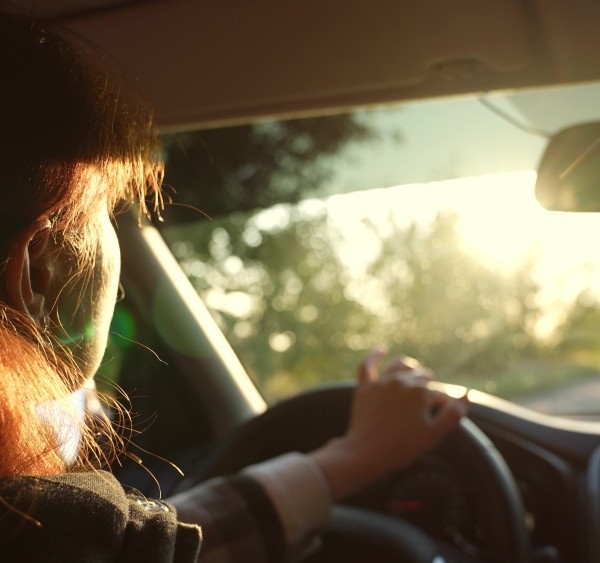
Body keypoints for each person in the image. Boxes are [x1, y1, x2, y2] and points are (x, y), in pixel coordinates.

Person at [0, 10, 468, 562]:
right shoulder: (45, 531)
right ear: (39, 268)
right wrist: (356, 457)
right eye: (109, 210)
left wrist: (349, 458)